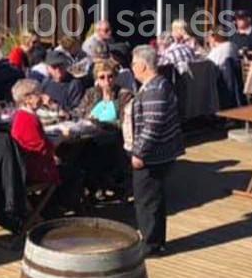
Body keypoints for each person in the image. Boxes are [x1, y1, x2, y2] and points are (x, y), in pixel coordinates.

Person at [129, 45, 183, 256]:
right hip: (160, 152)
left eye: (134, 64)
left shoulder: (154, 89)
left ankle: (150, 244)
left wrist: (139, 153)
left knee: (147, 200)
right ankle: (155, 240)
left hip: (153, 155)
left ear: (142, 65)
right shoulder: (159, 85)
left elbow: (152, 124)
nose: (132, 68)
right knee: (154, 199)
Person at [9, 78, 61, 186]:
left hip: (28, 165)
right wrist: (59, 140)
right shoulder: (27, 118)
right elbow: (39, 147)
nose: (41, 97)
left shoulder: (20, 115)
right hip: (35, 169)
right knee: (72, 169)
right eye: (38, 94)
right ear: (28, 99)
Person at [75, 59, 134, 124]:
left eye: (110, 76)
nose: (107, 81)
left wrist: (102, 124)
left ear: (115, 77)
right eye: (102, 77)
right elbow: (79, 113)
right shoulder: (91, 93)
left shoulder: (124, 96)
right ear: (97, 79)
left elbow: (125, 122)